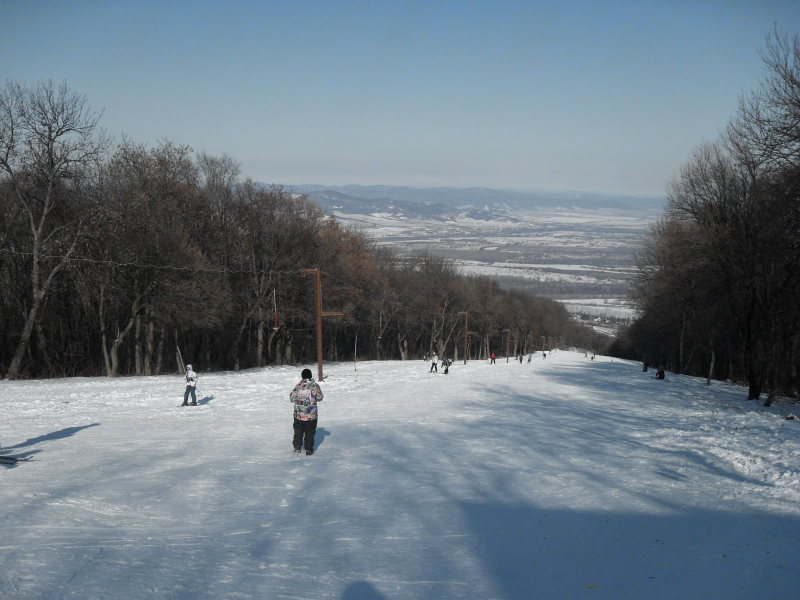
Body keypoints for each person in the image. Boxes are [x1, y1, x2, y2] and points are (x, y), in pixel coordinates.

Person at [290, 368, 324, 455]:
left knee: (298, 431)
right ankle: (308, 449)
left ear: (302, 376)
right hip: (311, 415)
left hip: (299, 415)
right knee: (310, 432)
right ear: (310, 376)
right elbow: (320, 398)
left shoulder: (298, 386)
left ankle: (297, 447)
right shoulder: (315, 386)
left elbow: (292, 398)